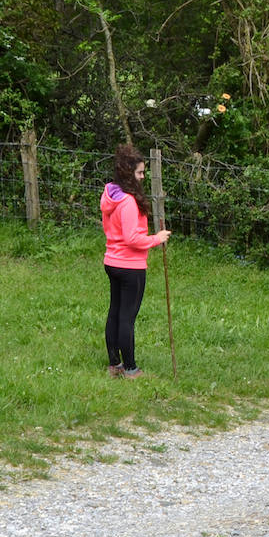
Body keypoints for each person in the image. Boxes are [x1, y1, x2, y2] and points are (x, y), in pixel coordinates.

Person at [100, 145, 171, 379]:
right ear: (128, 172)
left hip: (112, 261)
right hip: (130, 266)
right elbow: (132, 238)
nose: (142, 177)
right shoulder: (129, 202)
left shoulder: (110, 194)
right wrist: (156, 239)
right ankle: (130, 368)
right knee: (126, 317)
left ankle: (115, 365)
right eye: (140, 173)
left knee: (115, 312)